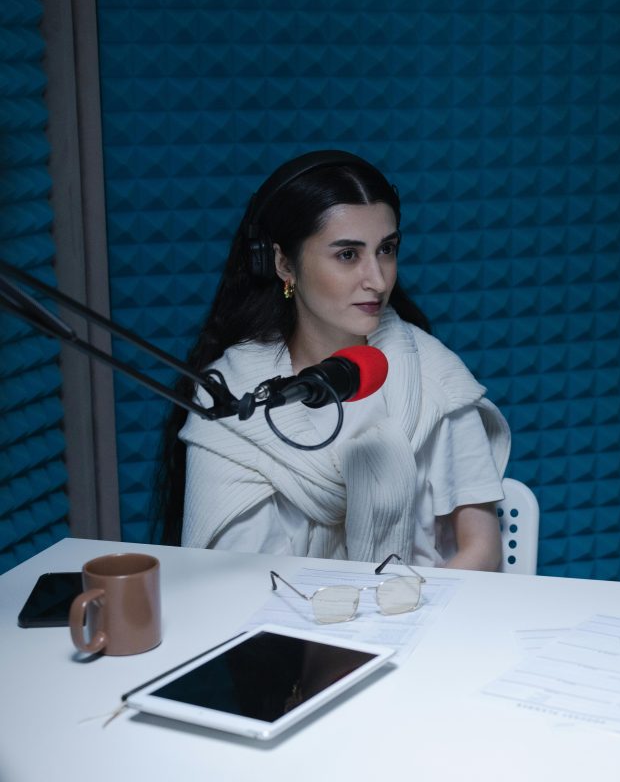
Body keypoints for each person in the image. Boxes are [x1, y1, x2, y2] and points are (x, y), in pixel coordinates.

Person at [155, 150, 510, 570]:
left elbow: (482, 550)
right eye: (347, 255)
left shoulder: (435, 377)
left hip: (420, 623)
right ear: (284, 263)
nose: (377, 280)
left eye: (387, 249)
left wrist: (396, 623)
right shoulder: (232, 394)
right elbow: (231, 576)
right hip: (277, 631)